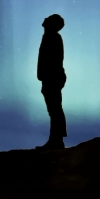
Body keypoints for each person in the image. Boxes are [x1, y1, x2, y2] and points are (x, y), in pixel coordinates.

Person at [36, 14, 67, 150]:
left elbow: (53, 61)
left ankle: (56, 141)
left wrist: (49, 78)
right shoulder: (50, 37)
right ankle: (55, 140)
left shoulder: (53, 37)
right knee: (53, 110)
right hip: (50, 78)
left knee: (55, 110)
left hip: (52, 78)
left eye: (48, 19)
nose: (44, 19)